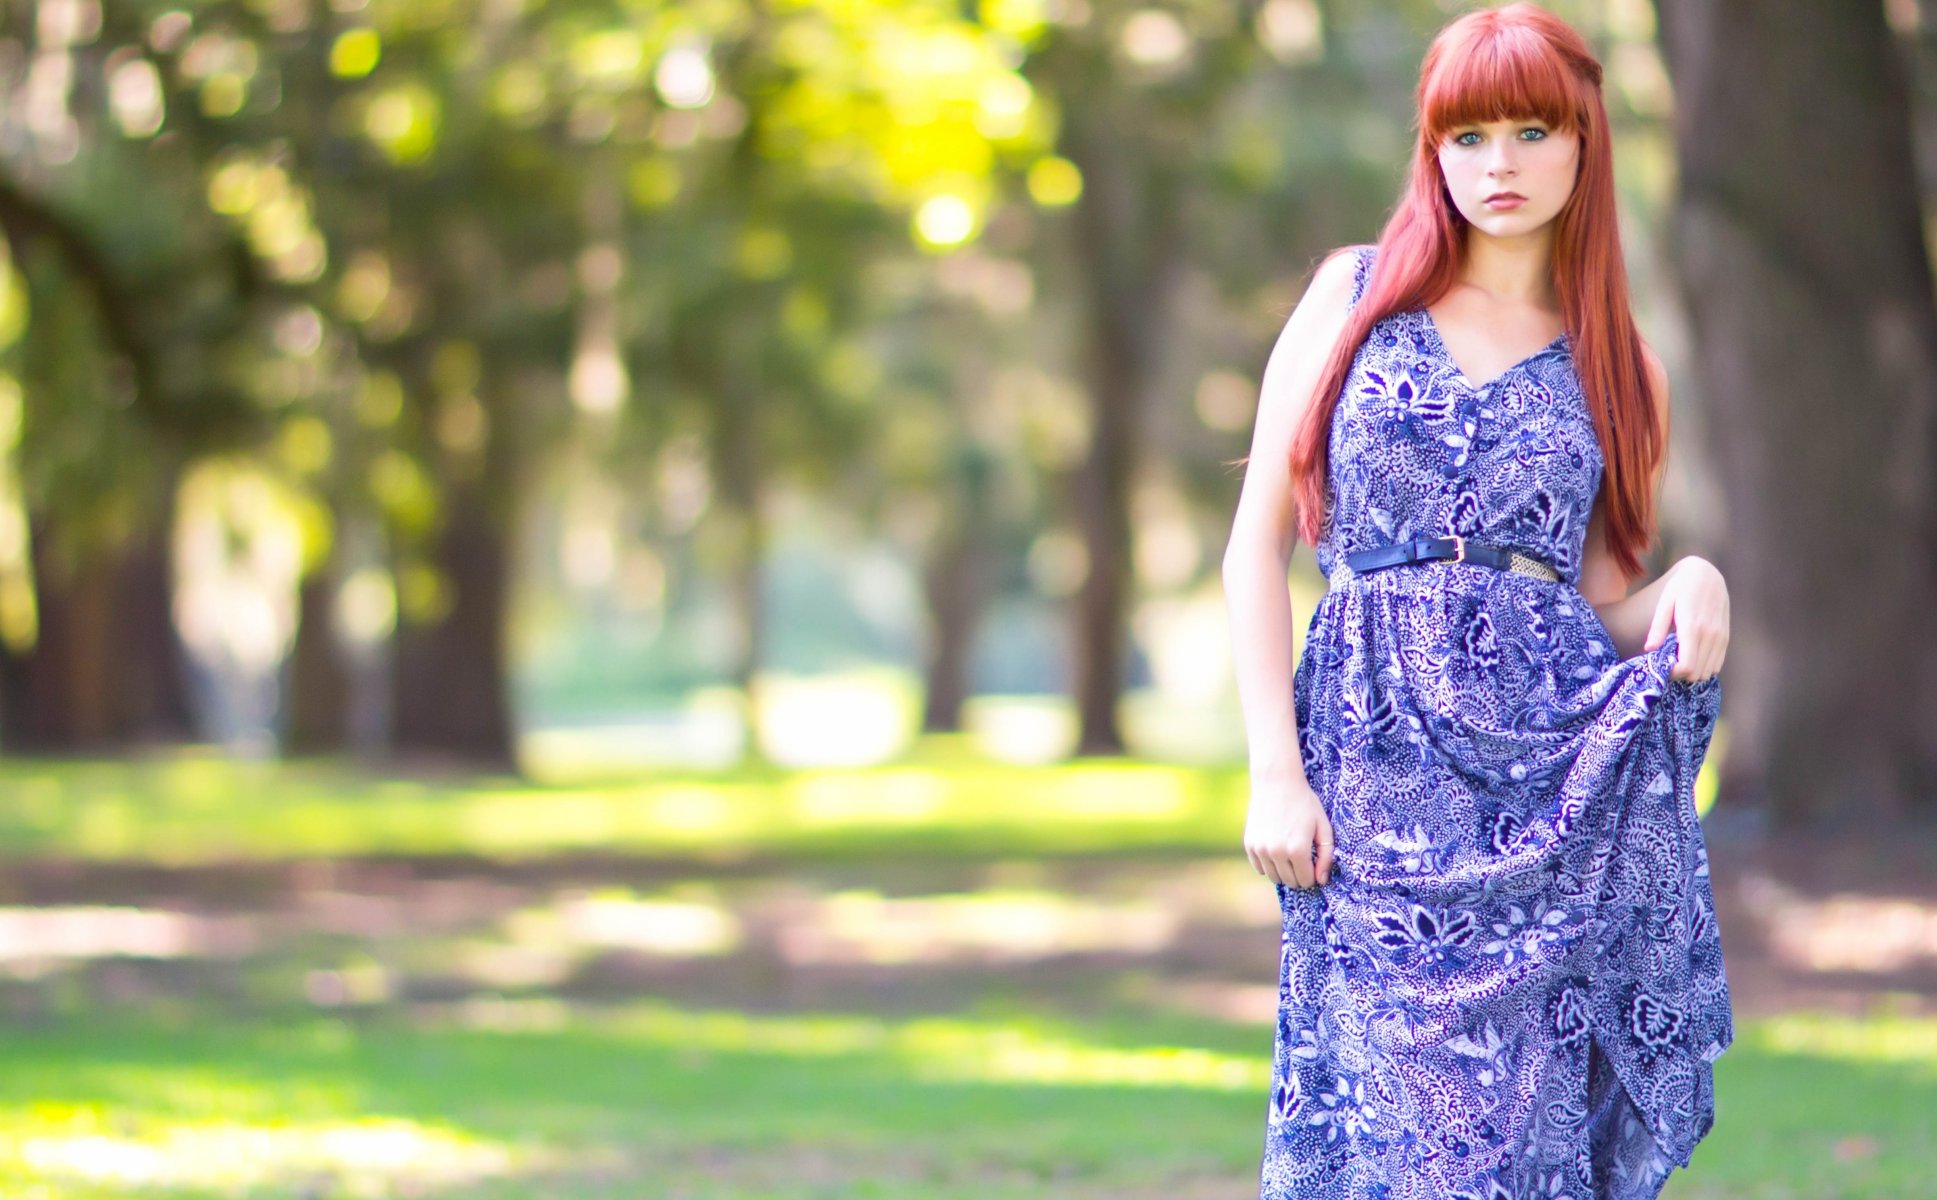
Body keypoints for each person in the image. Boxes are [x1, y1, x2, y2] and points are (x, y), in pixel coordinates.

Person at [1220, 4, 1733, 1198]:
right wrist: (1272, 770)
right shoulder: (1349, 295)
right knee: (1388, 1126)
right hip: (1367, 777)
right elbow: (1253, 551)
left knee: (1511, 1149)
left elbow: (1598, 597)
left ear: (1583, 141)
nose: (1495, 165)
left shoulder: (1615, 361)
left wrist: (1693, 581)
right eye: (1465, 137)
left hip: (1537, 791)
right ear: (1430, 149)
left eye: (1528, 131)